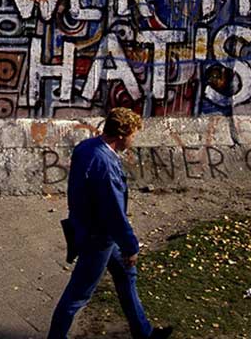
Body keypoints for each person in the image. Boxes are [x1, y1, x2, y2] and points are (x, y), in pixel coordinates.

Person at [47, 107, 172, 339]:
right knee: (77, 295)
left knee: (126, 275)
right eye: (133, 134)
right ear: (122, 134)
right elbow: (114, 211)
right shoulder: (105, 165)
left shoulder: (87, 147)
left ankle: (143, 332)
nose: (134, 140)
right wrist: (130, 246)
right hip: (99, 237)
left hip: (86, 226)